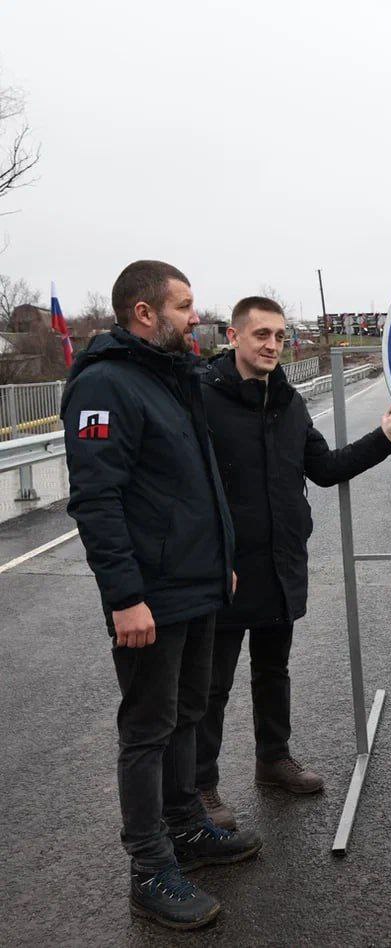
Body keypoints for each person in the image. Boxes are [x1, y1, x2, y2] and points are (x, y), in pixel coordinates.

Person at [61, 261, 262, 931]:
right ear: (145, 313)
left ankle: (187, 828)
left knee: (190, 709)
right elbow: (96, 498)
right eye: (183, 305)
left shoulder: (169, 379)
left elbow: (198, 482)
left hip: (198, 583)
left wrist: (223, 562)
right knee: (147, 728)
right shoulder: (105, 385)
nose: (193, 314)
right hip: (149, 595)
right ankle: (149, 868)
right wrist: (124, 597)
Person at [195, 296, 391, 828]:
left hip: (280, 562)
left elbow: (326, 468)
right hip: (224, 568)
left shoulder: (288, 403)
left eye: (280, 337)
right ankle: (199, 787)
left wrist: (383, 438)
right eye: (261, 334)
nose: (271, 345)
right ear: (234, 336)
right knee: (210, 685)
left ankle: (273, 760)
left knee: (273, 670)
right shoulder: (201, 398)